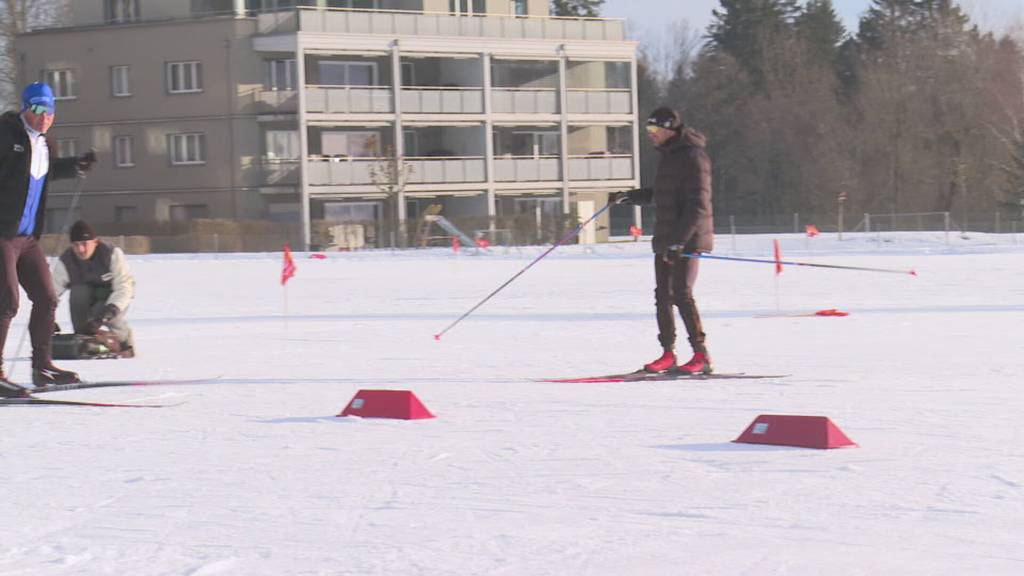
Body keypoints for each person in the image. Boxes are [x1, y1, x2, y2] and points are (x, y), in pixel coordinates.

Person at [0, 82, 96, 398]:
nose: (44, 117)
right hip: (2, 235)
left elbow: (45, 170)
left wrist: (74, 165)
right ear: (25, 108)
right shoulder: (6, 135)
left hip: (27, 238)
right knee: (7, 302)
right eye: (38, 110)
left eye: (49, 111)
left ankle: (42, 367)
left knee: (47, 297)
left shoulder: (44, 144)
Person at [609, 106, 714, 375]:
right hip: (667, 238)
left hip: (688, 238)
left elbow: (698, 205)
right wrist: (630, 197)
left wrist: (679, 241)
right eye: (649, 129)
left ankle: (701, 355)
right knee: (662, 296)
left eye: (654, 129)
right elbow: (662, 193)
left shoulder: (694, 157)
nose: (651, 134)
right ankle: (668, 353)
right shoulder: (668, 157)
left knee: (681, 293)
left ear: (669, 129)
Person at [52, 220, 136, 358]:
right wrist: (47, 317)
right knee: (78, 291)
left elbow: (124, 287)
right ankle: (84, 339)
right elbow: (51, 291)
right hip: (86, 299)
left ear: (95, 242)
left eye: (84, 244)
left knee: (106, 313)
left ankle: (125, 344)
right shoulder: (66, 261)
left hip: (110, 300)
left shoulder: (111, 254)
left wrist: (108, 312)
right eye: (76, 245)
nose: (80, 249)